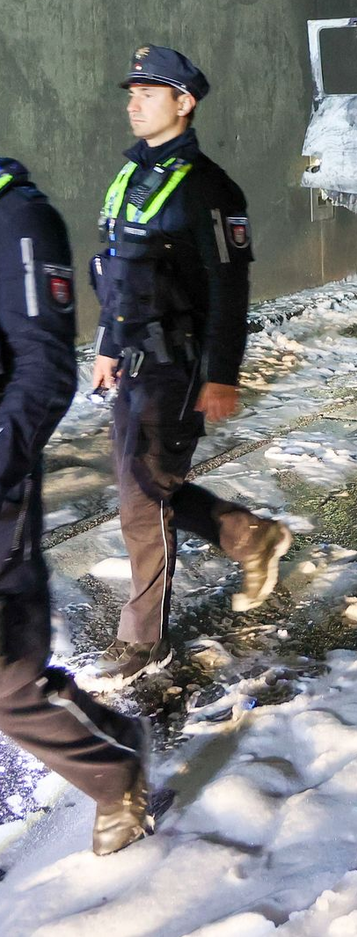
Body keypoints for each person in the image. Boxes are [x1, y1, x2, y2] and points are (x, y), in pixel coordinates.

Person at [85, 46, 292, 688]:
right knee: (147, 487)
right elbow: (117, 274)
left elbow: (230, 293)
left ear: (184, 102)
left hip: (177, 368)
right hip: (134, 363)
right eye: (133, 91)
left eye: (150, 91)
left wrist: (221, 374)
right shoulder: (128, 178)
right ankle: (248, 537)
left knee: (142, 504)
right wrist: (107, 347)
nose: (135, 100)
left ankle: (143, 641)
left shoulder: (209, 188)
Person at [0, 157, 150, 854]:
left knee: (7, 670)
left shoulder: (20, 218)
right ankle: (107, 744)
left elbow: (43, 370)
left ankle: (113, 768)